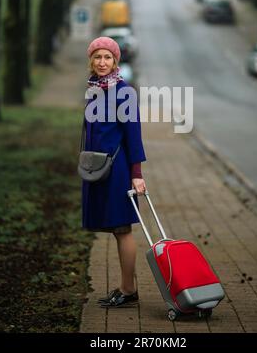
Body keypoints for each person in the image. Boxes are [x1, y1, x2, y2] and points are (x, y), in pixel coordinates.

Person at [81, 36, 147, 308]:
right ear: (91, 61)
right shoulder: (94, 89)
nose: (102, 62)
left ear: (116, 61)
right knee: (115, 228)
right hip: (99, 167)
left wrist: (137, 173)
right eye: (97, 57)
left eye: (108, 57)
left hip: (118, 169)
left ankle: (128, 289)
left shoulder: (123, 91)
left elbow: (133, 134)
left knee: (122, 229)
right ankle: (127, 287)